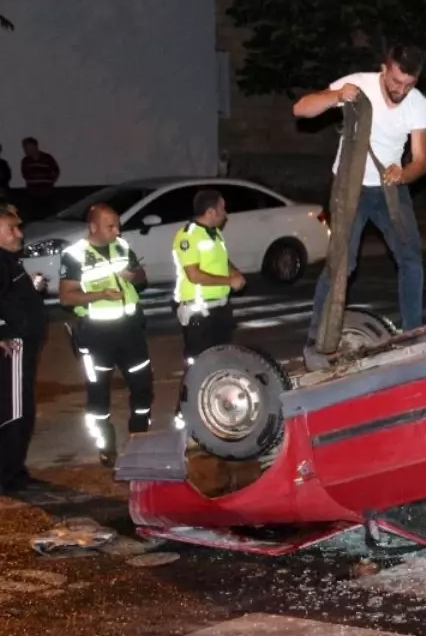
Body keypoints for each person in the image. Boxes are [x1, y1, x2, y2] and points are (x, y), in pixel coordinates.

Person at [293, 43, 426, 347]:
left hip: (389, 191)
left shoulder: (418, 103)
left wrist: (404, 173)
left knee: (411, 259)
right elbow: (301, 109)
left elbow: (422, 160)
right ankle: (317, 338)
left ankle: (413, 334)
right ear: (384, 69)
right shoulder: (359, 83)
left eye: (409, 84)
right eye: (396, 81)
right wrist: (336, 96)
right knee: (342, 263)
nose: (401, 90)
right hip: (350, 191)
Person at [58, 204, 152, 467]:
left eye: (118, 225)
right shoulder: (75, 255)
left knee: (143, 388)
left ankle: (140, 437)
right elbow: (66, 296)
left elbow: (142, 279)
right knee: (98, 395)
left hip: (130, 331)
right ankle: (106, 446)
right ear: (93, 227)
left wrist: (135, 276)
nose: (117, 230)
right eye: (110, 226)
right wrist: (100, 294)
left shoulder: (122, 246)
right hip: (96, 335)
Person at [171, 189, 245, 427]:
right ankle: (184, 419)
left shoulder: (214, 234)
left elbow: (222, 261)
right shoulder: (188, 236)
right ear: (210, 211)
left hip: (219, 308)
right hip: (199, 312)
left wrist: (233, 272)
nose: (226, 214)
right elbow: (193, 274)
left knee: (221, 363)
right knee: (196, 367)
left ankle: (212, 415)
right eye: (223, 209)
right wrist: (228, 281)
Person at [0, 204, 47, 493]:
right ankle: (9, 475)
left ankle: (13, 470)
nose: (19, 234)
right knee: (16, 410)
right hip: (15, 344)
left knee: (20, 407)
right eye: (11, 229)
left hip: (22, 342)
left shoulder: (8, 260)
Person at [19, 137, 59, 207]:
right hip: (32, 194)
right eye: (25, 148)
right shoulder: (26, 161)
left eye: (27, 148)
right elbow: (24, 174)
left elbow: (56, 171)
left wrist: (50, 182)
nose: (25, 150)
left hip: (47, 193)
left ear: (35, 147)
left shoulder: (47, 158)